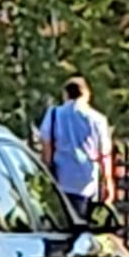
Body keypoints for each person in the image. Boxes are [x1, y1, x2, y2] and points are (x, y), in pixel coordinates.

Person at [39, 77, 114, 219]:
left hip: (61, 177)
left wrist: (47, 170)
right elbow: (104, 154)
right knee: (85, 221)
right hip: (87, 180)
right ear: (86, 94)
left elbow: (46, 145)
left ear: (65, 94)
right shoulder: (98, 119)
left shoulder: (54, 114)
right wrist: (107, 180)